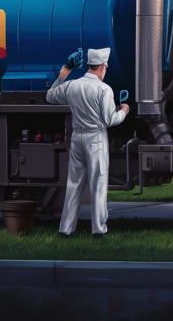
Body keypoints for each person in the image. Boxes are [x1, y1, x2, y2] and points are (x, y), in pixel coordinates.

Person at [46, 48, 129, 238]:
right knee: (98, 185)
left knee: (74, 184)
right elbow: (110, 120)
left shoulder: (72, 85)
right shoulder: (104, 89)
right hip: (96, 139)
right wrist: (124, 110)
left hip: (77, 138)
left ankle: (65, 229)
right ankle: (98, 230)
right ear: (102, 66)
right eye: (105, 68)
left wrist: (65, 71)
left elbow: (49, 96)